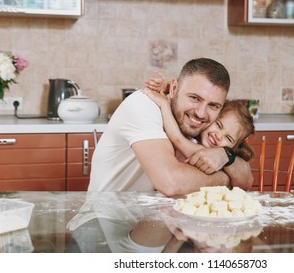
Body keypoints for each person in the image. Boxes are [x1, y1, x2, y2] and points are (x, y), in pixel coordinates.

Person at [88, 58, 253, 196]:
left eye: (214, 105)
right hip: (102, 223)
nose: (201, 113)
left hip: (150, 224)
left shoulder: (205, 127)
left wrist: (226, 156)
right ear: (174, 88)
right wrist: (224, 179)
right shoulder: (144, 104)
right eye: (194, 98)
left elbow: (246, 180)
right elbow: (171, 183)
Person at [141, 85, 255, 170]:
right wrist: (168, 87)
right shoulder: (192, 136)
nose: (218, 136)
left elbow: (177, 139)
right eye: (219, 125)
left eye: (229, 139)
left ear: (233, 148)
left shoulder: (209, 155)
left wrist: (164, 105)